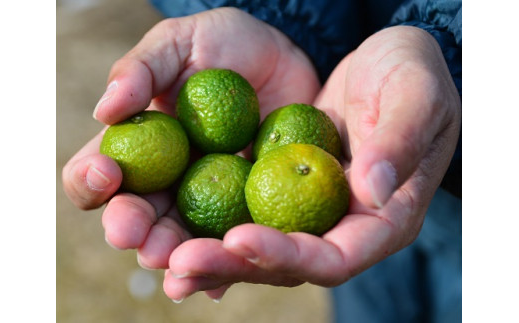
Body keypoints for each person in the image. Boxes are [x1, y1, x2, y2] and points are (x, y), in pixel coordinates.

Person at [62, 1, 462, 322]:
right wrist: (269, 13)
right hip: (360, 168)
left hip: (444, 181)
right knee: (367, 297)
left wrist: (451, 46)